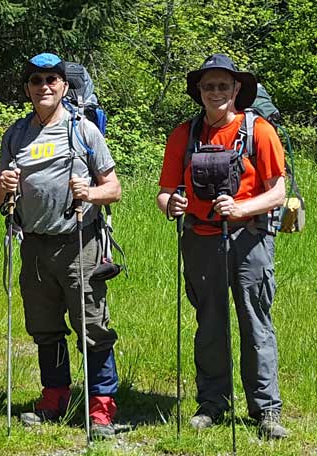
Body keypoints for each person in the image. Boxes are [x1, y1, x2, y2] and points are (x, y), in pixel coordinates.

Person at [157, 53, 288, 439]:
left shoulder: (259, 131)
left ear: (236, 90)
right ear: (199, 92)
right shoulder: (184, 134)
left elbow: (278, 192)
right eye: (208, 86)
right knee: (209, 324)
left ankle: (265, 410)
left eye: (223, 86)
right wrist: (172, 205)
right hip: (199, 238)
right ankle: (212, 404)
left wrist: (242, 207)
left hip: (250, 239)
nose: (215, 92)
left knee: (255, 324)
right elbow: (165, 193)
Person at [0, 53, 122, 439]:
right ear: (27, 88)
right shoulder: (16, 134)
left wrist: (91, 193)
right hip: (32, 243)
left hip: (79, 242)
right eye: (36, 80)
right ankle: (55, 398)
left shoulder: (83, 131)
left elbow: (113, 189)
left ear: (64, 86)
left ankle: (102, 408)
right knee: (45, 327)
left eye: (52, 79)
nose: (44, 86)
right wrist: (4, 187)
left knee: (91, 325)